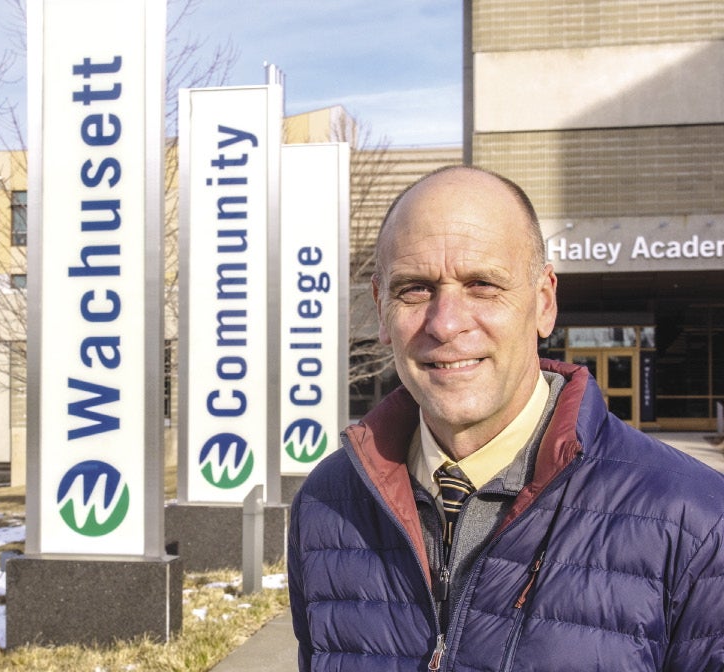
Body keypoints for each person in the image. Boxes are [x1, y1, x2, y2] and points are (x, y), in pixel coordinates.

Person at [287, 165, 724, 671]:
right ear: (381, 308)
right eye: (415, 289)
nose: (446, 323)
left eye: (482, 285)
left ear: (543, 303)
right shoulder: (326, 505)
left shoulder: (696, 523)